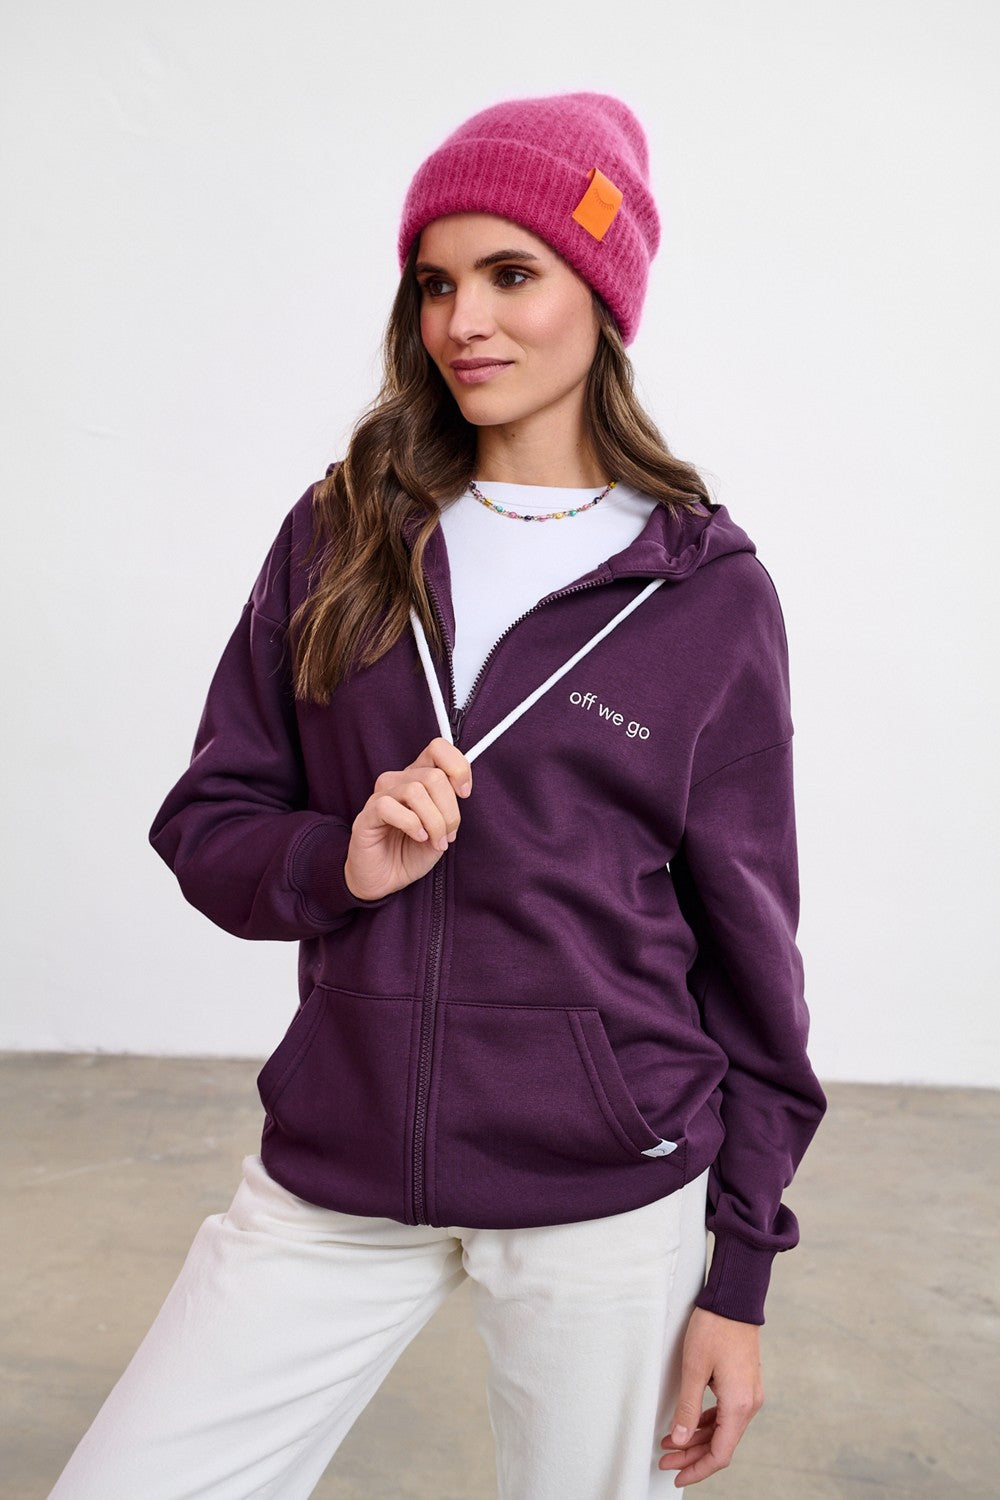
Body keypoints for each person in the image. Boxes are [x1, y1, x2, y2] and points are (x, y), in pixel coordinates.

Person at [50, 92, 826, 1499]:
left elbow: (755, 952)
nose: (463, 321)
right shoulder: (344, 533)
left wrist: (742, 1276)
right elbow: (208, 820)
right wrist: (339, 862)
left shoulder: (707, 597)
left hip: (606, 1184)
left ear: (601, 297)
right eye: (435, 282)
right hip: (339, 1162)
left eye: (511, 275)